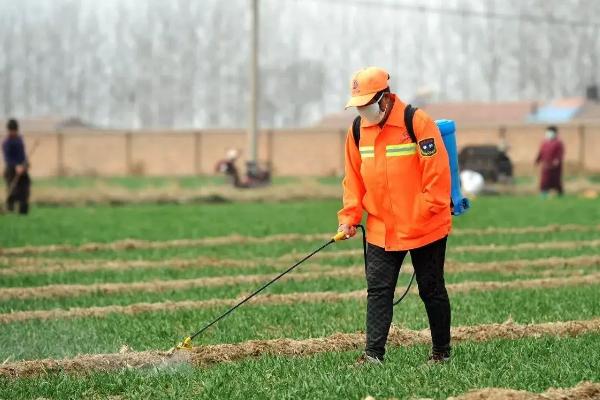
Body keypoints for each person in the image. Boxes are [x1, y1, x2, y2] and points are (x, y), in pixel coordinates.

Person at [336, 67, 452, 364]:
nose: (362, 109)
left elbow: (437, 176)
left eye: (367, 103)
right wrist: (350, 216)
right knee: (378, 291)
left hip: (424, 224)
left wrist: (424, 212)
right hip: (380, 227)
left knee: (431, 288)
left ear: (385, 98)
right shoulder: (357, 130)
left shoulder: (417, 122)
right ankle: (373, 355)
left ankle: (441, 353)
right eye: (358, 104)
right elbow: (353, 178)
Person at [2, 119, 31, 214]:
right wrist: (16, 166)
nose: (13, 132)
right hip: (11, 169)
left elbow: (22, 155)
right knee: (12, 190)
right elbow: (7, 158)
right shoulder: (6, 143)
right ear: (8, 130)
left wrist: (25, 164)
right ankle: (9, 210)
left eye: (14, 130)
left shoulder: (20, 140)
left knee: (25, 190)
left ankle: (23, 213)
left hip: (22, 168)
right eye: (11, 130)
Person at [535, 126, 564, 197]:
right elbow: (541, 152)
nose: (549, 134)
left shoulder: (558, 143)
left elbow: (560, 153)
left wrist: (557, 160)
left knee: (555, 180)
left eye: (551, 132)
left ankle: (559, 193)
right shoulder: (544, 143)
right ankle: (543, 193)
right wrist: (538, 160)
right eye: (548, 132)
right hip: (545, 165)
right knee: (545, 180)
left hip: (555, 166)